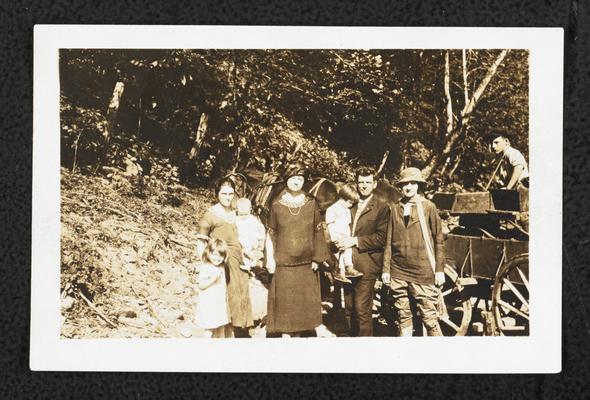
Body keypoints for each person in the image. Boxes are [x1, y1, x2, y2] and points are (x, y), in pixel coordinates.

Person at [265, 163, 331, 337]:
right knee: (286, 304)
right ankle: (286, 336)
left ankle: (299, 335)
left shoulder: (311, 204)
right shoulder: (277, 204)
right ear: (287, 180)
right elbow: (271, 233)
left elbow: (318, 231)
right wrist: (270, 259)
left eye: (300, 179)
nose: (296, 182)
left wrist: (318, 258)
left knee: (303, 304)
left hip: (306, 264)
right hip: (284, 264)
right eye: (293, 178)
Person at [382, 167, 445, 336]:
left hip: (422, 271)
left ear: (418, 185)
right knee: (403, 315)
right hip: (398, 270)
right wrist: (386, 269)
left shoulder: (429, 207)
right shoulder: (395, 208)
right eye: (405, 184)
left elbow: (439, 240)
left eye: (412, 183)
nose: (408, 187)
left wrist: (439, 270)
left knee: (429, 318)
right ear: (400, 187)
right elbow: (388, 241)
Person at [334, 167, 390, 337]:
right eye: (361, 182)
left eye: (367, 182)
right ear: (356, 184)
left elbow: (381, 237)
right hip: (347, 262)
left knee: (362, 309)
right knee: (349, 307)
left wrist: (355, 241)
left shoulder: (381, 207)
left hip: (367, 263)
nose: (364, 186)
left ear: (374, 185)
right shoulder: (350, 203)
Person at [196, 178, 253, 338]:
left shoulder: (235, 213)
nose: (228, 197)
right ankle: (218, 333)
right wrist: (205, 265)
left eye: (230, 194)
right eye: (224, 194)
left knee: (238, 292)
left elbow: (241, 235)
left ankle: (234, 331)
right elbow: (201, 241)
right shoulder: (210, 214)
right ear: (217, 194)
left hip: (237, 259)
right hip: (220, 260)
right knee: (222, 295)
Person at [194, 238, 233, 338]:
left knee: (220, 327)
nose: (217, 258)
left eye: (221, 255)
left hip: (219, 304)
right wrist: (213, 279)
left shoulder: (221, 267)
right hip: (209, 304)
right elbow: (201, 285)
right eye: (215, 254)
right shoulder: (206, 267)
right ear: (209, 253)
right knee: (210, 329)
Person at [325, 183, 363, 283]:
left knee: (346, 251)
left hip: (345, 235)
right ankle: (342, 270)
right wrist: (334, 238)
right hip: (337, 234)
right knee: (339, 254)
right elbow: (330, 224)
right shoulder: (333, 208)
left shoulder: (346, 209)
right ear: (342, 198)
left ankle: (346, 269)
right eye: (350, 202)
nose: (351, 205)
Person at [235, 197, 266, 272]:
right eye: (241, 215)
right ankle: (246, 264)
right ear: (236, 210)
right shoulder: (235, 220)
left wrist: (261, 244)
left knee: (255, 254)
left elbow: (261, 231)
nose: (244, 217)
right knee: (243, 250)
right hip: (242, 245)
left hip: (253, 243)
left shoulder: (254, 220)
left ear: (250, 210)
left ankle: (254, 263)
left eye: (246, 215)